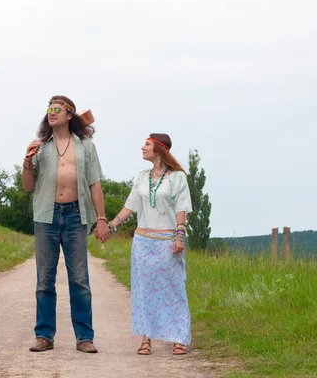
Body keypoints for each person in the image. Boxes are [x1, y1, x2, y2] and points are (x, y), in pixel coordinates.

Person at [22, 95, 109, 354]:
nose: (51, 113)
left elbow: (95, 184)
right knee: (44, 280)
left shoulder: (85, 146)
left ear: (69, 115)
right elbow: (28, 187)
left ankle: (84, 337)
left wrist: (101, 219)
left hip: (75, 215)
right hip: (46, 217)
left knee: (80, 280)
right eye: (49, 109)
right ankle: (44, 336)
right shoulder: (41, 146)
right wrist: (27, 161)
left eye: (57, 109)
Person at [100, 133, 192, 355]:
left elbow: (181, 206)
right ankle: (146, 338)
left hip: (166, 241)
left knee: (173, 289)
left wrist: (180, 234)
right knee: (144, 291)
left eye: (147, 144)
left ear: (159, 149)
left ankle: (179, 337)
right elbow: (130, 206)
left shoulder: (177, 177)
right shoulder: (142, 177)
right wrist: (110, 226)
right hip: (142, 242)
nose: (142, 148)